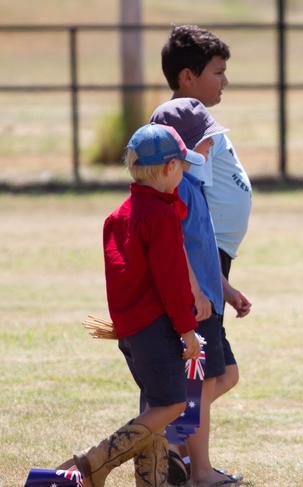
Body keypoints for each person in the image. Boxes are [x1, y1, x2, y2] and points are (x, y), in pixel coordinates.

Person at [73, 123, 204, 487]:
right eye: (182, 166)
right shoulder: (161, 216)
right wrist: (187, 329)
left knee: (155, 409)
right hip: (157, 328)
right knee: (172, 406)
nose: (185, 173)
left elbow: (122, 276)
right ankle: (96, 460)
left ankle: (153, 481)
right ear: (167, 169)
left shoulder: (120, 215)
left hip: (132, 330)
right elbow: (172, 280)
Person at [161, 27, 252, 479]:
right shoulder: (185, 125)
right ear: (188, 77)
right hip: (199, 265)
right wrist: (204, 278)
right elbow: (183, 216)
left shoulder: (204, 125)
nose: (224, 81)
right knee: (202, 374)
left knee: (224, 373)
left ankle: (168, 442)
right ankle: (188, 460)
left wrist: (224, 284)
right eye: (217, 73)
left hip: (212, 268)